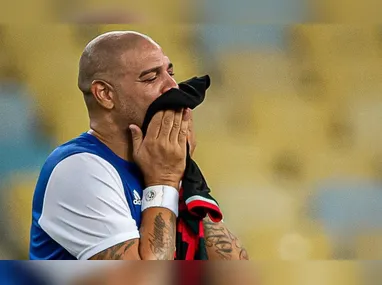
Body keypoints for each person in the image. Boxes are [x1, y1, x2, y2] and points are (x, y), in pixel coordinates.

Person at [29, 31, 249, 260]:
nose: (172, 87)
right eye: (151, 78)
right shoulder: (79, 170)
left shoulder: (160, 165)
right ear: (105, 94)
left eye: (170, 73)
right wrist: (164, 181)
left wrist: (183, 174)